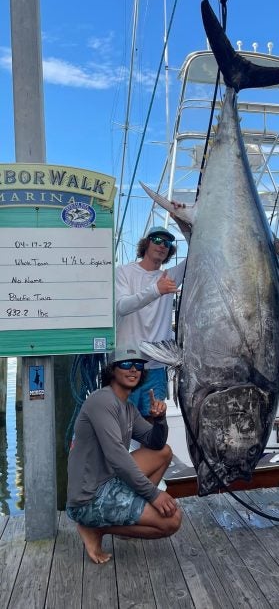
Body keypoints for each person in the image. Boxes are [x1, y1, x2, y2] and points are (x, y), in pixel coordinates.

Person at [66, 344, 182, 564]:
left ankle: (126, 512)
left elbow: (155, 444)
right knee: (172, 521)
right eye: (126, 364)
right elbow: (118, 457)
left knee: (164, 453)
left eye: (138, 365)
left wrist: (159, 420)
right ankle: (95, 528)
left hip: (110, 480)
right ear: (112, 370)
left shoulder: (127, 408)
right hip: (89, 497)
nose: (133, 370)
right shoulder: (102, 401)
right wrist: (153, 495)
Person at [116, 224, 186, 419]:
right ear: (146, 243)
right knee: (120, 429)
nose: (162, 245)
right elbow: (122, 306)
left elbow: (197, 252)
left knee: (152, 428)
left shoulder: (170, 277)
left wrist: (184, 223)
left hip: (156, 369)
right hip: (126, 366)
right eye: (157, 240)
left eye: (167, 243)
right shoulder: (123, 272)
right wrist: (157, 290)